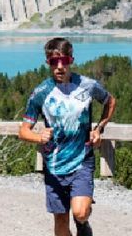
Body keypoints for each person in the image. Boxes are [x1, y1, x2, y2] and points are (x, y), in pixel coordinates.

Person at [18, 37, 116, 236]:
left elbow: (110, 101)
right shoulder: (40, 93)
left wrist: (99, 129)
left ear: (72, 59)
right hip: (54, 166)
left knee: (80, 212)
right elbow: (23, 131)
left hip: (82, 160)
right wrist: (38, 136)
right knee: (61, 226)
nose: (60, 67)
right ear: (48, 63)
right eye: (54, 62)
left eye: (64, 61)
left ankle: (83, 222)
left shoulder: (88, 85)